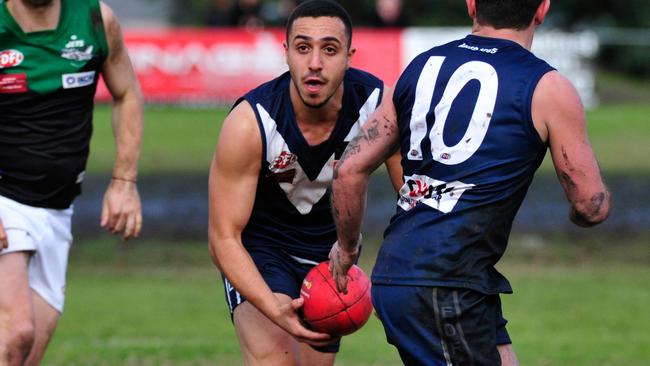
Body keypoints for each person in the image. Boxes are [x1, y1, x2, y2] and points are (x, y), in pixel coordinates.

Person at [329, 0, 611, 365]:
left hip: (411, 273)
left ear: (472, 5)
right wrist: (580, 215)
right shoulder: (549, 87)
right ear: (542, 9)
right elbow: (591, 204)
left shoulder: (421, 67)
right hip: (446, 282)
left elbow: (348, 170)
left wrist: (347, 248)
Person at [207, 1, 393, 365]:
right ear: (286, 52)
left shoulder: (379, 107)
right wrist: (267, 302)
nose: (315, 63)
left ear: (350, 56)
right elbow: (223, 238)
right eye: (303, 47)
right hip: (261, 252)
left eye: (330, 49)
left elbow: (411, 202)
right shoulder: (251, 122)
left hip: (329, 259)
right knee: (277, 360)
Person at [0, 0, 143, 364]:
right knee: (17, 333)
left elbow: (127, 94)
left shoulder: (96, 19)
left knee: (25, 354)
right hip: (4, 198)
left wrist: (124, 181)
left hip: (56, 210)